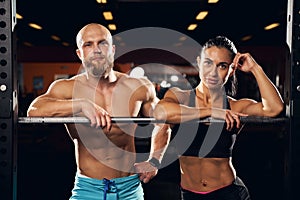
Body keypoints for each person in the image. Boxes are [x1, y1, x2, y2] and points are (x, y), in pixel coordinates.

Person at [27, 23, 171, 200]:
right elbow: (34, 110)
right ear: (80, 53)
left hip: (130, 189)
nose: (96, 50)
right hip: (88, 189)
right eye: (88, 44)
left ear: (112, 49)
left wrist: (155, 160)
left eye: (102, 43)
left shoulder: (138, 86)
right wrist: (80, 105)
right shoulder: (66, 89)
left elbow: (163, 120)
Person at [153, 36, 284, 200]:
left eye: (222, 66)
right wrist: (211, 112)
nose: (213, 72)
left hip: (228, 193)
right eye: (208, 63)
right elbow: (160, 112)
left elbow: (275, 108)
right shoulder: (181, 97)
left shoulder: (234, 107)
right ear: (199, 62)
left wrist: (255, 68)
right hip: (190, 194)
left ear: (231, 70)